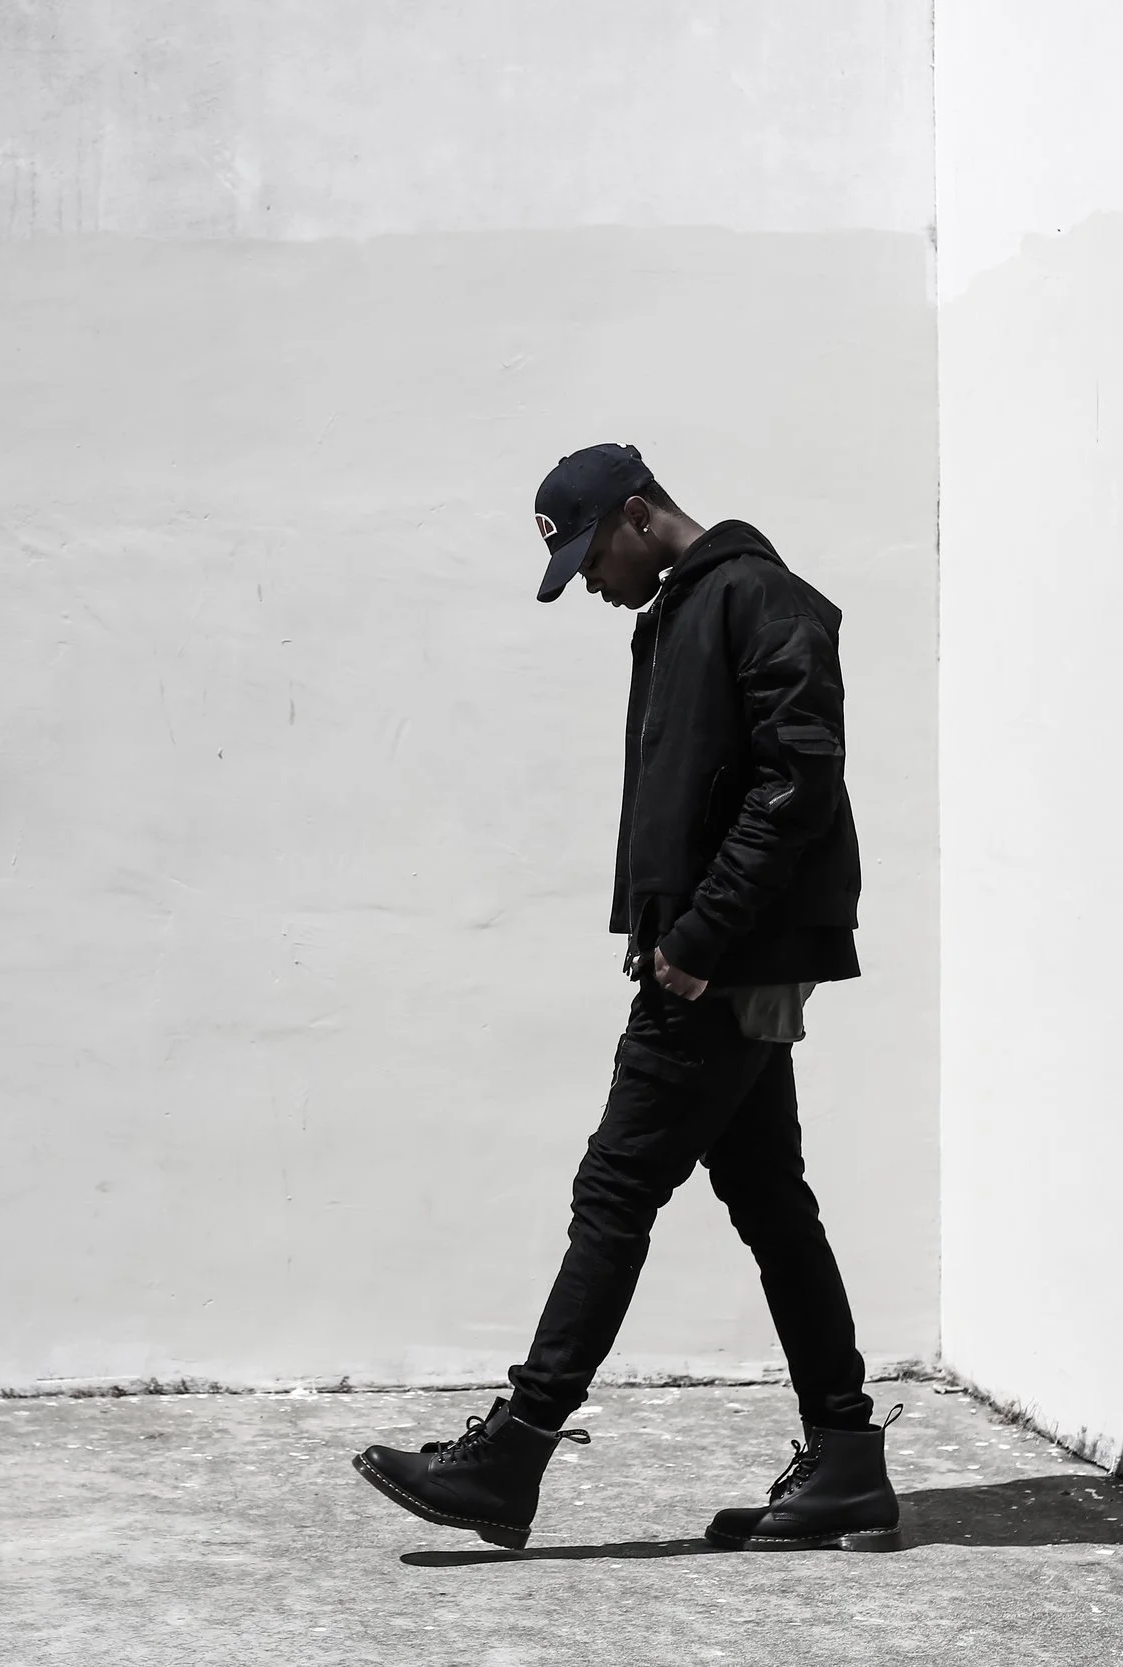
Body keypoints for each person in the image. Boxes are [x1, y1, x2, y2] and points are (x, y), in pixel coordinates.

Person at [351, 443, 902, 1553]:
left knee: (616, 1186)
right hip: (716, 955)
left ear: (639, 514)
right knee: (768, 1199)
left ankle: (515, 1449)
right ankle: (844, 1457)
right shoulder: (688, 608)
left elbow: (797, 779)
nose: (590, 585)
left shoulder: (759, 598)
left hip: (722, 961)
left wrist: (695, 937)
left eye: (590, 555)